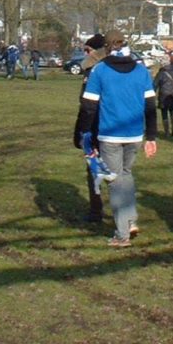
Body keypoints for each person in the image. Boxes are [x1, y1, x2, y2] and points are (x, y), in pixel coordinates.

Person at [76, 29, 157, 247]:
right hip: (135, 135)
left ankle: (122, 234)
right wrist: (152, 136)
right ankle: (130, 220)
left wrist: (84, 135)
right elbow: (151, 106)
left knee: (114, 181)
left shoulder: (100, 70)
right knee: (125, 174)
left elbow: (89, 106)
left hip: (110, 134)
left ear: (107, 47)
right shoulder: (142, 71)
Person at [72, 33, 108, 223]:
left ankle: (96, 210)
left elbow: (87, 106)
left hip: (96, 128)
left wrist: (82, 133)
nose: (84, 54)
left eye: (87, 50)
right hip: (115, 128)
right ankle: (123, 213)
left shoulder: (95, 71)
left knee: (94, 168)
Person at [153, 53, 173, 136]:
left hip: (163, 96)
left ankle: (166, 132)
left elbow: (155, 85)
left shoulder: (160, 73)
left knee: (164, 114)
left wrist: (152, 94)